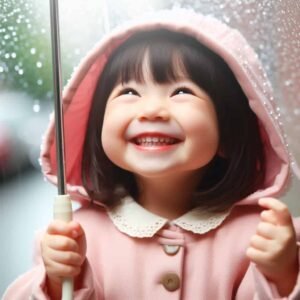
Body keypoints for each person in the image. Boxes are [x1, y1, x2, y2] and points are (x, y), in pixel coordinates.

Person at [4, 9, 300, 300]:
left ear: (228, 132)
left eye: (182, 92)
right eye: (129, 93)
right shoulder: (74, 237)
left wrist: (282, 275)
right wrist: (57, 283)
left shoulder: (263, 237)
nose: (151, 110)